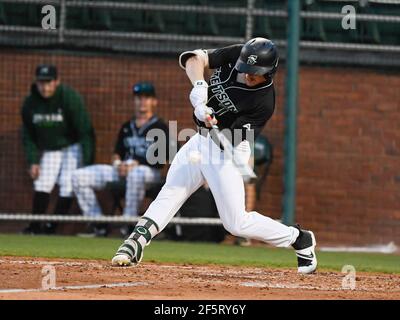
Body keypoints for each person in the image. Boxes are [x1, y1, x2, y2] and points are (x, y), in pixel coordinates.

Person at [112, 38, 317, 274]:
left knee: (236, 223)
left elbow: (227, 140)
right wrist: (199, 88)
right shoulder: (236, 54)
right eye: (246, 70)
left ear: (268, 73)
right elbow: (194, 59)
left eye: (255, 73)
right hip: (200, 140)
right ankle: (134, 242)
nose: (249, 75)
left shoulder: (263, 103)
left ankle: (299, 238)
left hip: (227, 148)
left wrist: (206, 119)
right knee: (172, 190)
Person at [72, 82, 169, 236]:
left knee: (135, 174)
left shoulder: (160, 126)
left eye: (146, 98)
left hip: (148, 172)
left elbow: (160, 160)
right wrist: (117, 164)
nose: (142, 102)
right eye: (138, 98)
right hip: (123, 170)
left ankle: (128, 225)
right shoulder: (126, 126)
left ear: (154, 102)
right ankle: (98, 224)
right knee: (79, 177)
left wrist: (136, 164)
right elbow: (117, 152)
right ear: (134, 101)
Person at [21, 64, 95, 234]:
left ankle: (51, 228)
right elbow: (28, 135)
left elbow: (85, 131)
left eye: (48, 82)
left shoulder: (69, 98)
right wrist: (33, 161)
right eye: (41, 82)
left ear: (56, 82)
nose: (45, 87)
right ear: (36, 83)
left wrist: (87, 160)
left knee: (67, 185)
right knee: (42, 183)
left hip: (72, 147)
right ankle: (35, 226)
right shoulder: (30, 103)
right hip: (51, 149)